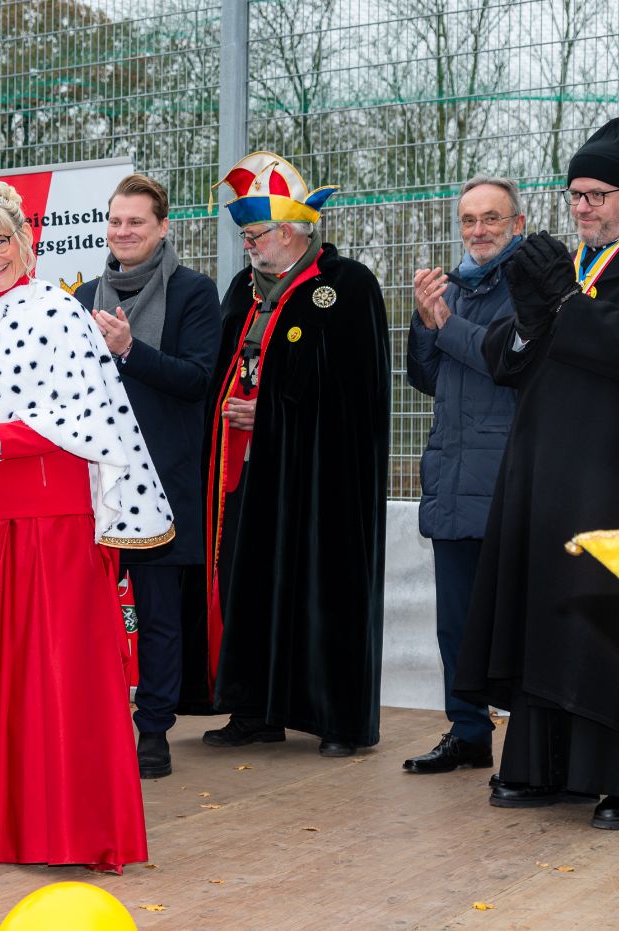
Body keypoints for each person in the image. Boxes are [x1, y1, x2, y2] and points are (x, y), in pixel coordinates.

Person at [0, 179, 173, 872]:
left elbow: (89, 421)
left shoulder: (61, 313)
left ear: (25, 240)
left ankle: (63, 828)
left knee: (54, 676)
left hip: (52, 524)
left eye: (0, 242)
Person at [455, 118, 619, 829]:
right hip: (543, 476)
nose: (582, 207)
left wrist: (564, 306)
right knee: (545, 614)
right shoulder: (570, 266)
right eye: (576, 194)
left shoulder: (580, 281)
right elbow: (508, 359)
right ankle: (540, 765)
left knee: (599, 620)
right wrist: (528, 317)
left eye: (599, 195)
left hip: (607, 477)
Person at [196, 151, 389, 757]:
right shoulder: (243, 291)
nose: (247, 246)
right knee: (247, 582)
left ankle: (339, 720)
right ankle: (254, 709)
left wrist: (273, 415)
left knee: (322, 589)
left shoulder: (347, 287)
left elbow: (356, 394)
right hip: (246, 471)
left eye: (254, 235)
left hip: (320, 477)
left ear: (289, 232)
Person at [75, 173, 221, 778]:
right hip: (95, 482)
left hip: (163, 479)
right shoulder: (84, 295)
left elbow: (198, 380)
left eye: (136, 221)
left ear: (163, 227)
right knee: (89, 612)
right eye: (115, 221)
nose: (123, 231)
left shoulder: (194, 292)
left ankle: (154, 731)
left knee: (159, 614)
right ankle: (94, 722)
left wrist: (131, 350)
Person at [403, 176, 524, 774]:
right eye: (469, 220)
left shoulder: (531, 286)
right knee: (456, 622)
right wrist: (424, 322)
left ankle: (532, 744)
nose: (478, 230)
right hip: (450, 478)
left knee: (515, 623)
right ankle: (469, 732)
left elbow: (506, 362)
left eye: (491, 218)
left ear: (517, 224)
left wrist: (444, 322)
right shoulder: (451, 286)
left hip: (506, 480)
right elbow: (428, 378)